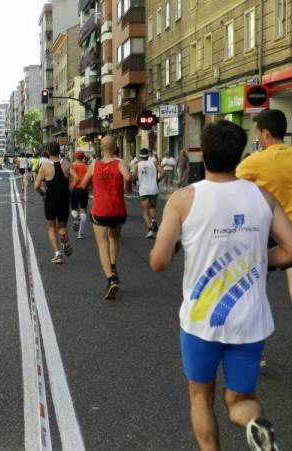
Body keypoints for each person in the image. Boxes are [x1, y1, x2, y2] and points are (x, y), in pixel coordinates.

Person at [150, 120, 292, 451]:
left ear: (204, 153)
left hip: (201, 319)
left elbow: (158, 261)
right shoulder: (263, 198)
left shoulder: (184, 199)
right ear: (240, 154)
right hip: (249, 320)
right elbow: (290, 249)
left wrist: (178, 244)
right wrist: (259, 258)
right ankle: (254, 423)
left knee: (201, 397)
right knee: (241, 399)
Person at [237, 108, 292, 303]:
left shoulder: (254, 161)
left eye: (258, 133)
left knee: (253, 286)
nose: (258, 137)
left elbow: (230, 186)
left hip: (266, 230)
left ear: (265, 133)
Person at [82, 136, 131, 300]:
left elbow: (83, 184)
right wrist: (127, 188)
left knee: (102, 245)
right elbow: (128, 178)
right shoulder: (120, 163)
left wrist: (91, 185)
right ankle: (113, 266)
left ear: (101, 148)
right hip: (118, 209)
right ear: (116, 147)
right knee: (114, 238)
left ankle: (111, 279)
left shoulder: (94, 165)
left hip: (100, 210)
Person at [35, 142, 77, 264]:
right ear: (59, 151)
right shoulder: (67, 164)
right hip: (64, 198)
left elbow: (36, 186)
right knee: (62, 226)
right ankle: (65, 241)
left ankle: (57, 254)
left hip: (51, 199)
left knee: (51, 226)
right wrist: (69, 189)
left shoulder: (44, 166)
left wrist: (42, 193)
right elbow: (77, 178)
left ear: (48, 151)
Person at [133, 148, 165, 238]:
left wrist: (134, 182)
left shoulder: (137, 165)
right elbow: (163, 173)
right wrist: (157, 180)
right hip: (154, 189)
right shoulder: (154, 163)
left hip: (143, 190)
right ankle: (154, 220)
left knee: (145, 211)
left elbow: (133, 177)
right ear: (148, 155)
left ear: (140, 156)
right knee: (152, 206)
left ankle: (150, 230)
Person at [69, 150, 89, 239]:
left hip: (74, 189)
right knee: (83, 210)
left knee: (74, 209)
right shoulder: (87, 167)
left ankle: (76, 216)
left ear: (75, 157)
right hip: (84, 189)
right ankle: (80, 233)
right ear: (83, 157)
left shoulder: (71, 166)